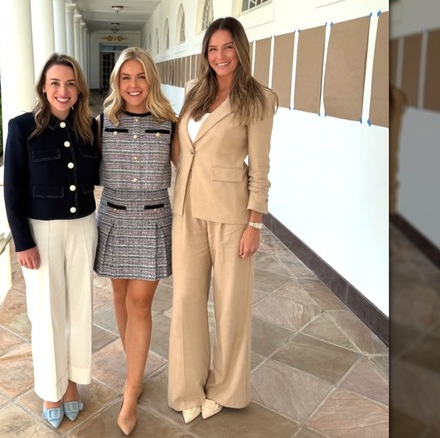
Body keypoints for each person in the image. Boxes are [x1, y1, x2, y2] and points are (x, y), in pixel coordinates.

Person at [167, 17, 278, 423]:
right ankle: (187, 388)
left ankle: (226, 388)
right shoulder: (196, 92)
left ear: (240, 49)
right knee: (186, 301)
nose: (220, 56)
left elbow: (261, 166)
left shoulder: (259, 99)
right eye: (213, 49)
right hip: (188, 210)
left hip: (232, 216)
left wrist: (255, 223)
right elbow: (183, 146)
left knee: (230, 306)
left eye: (227, 47)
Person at [3, 53, 99, 429]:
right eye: (55, 83)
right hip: (40, 231)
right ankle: (50, 387)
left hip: (82, 228)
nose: (63, 90)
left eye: (70, 83)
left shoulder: (89, 127)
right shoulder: (22, 127)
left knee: (79, 308)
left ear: (79, 90)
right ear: (44, 87)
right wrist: (22, 241)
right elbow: (12, 190)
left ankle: (72, 382)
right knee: (46, 313)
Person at [94, 47, 177, 435]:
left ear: (151, 80)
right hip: (113, 217)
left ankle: (130, 392)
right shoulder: (102, 122)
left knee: (140, 303)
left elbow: (191, 167)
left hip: (153, 219)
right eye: (125, 77)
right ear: (117, 82)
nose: (133, 85)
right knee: (120, 297)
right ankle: (135, 369)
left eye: (140, 76)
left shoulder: (169, 122)